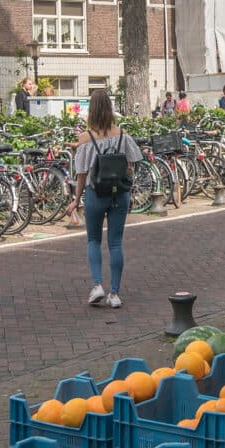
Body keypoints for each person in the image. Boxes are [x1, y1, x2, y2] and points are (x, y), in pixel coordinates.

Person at [72, 89, 143, 309]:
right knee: (115, 243)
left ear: (91, 111)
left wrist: (76, 200)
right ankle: (115, 293)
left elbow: (81, 174)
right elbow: (131, 165)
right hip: (119, 195)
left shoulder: (85, 139)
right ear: (110, 109)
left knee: (93, 240)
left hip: (96, 194)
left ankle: (97, 285)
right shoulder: (123, 135)